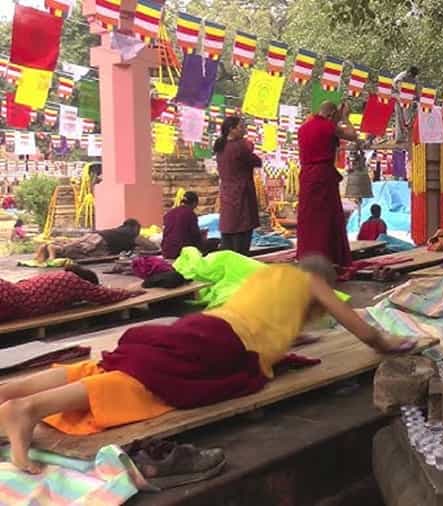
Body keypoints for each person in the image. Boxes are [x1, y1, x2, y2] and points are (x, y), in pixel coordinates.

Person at [0, 256, 415, 473]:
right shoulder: (312, 283)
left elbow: (253, 319)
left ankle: (14, 391)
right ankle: (29, 410)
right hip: (221, 346)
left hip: (202, 327)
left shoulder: (267, 275)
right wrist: (387, 343)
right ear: (322, 279)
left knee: (123, 361)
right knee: (146, 383)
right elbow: (361, 328)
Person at [296, 101, 359, 267]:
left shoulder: (304, 128)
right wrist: (345, 117)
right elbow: (353, 135)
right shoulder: (328, 127)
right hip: (323, 176)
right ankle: (329, 257)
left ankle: (306, 255)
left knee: (309, 219)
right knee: (327, 219)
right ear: (331, 115)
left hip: (306, 177)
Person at [0, 264, 142, 323]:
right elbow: (105, 295)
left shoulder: (54, 276)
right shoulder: (72, 281)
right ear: (86, 281)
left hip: (10, 293)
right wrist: (128, 292)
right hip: (12, 301)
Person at [214, 116, 262, 256]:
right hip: (242, 192)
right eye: (241, 127)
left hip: (226, 192)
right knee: (243, 230)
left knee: (229, 229)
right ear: (232, 129)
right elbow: (257, 161)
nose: (245, 130)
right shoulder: (240, 146)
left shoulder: (220, 147)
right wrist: (248, 146)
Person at [34, 219, 144, 263]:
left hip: (97, 235)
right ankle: (56, 249)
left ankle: (51, 248)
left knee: (78, 243)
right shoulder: (131, 235)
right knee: (83, 252)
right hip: (103, 243)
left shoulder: (120, 230)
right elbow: (149, 246)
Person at [161, 192, 211, 259]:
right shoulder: (190, 214)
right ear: (194, 203)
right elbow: (195, 236)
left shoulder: (170, 213)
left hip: (166, 251)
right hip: (179, 252)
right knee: (213, 243)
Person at [391, 66, 419, 143]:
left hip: (407, 96)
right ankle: (400, 137)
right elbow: (401, 91)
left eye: (413, 76)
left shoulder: (414, 79)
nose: (412, 77)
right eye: (411, 76)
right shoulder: (401, 78)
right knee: (401, 115)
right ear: (408, 73)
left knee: (408, 113)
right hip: (396, 94)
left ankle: (409, 132)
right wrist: (410, 99)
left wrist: (418, 99)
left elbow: (416, 91)